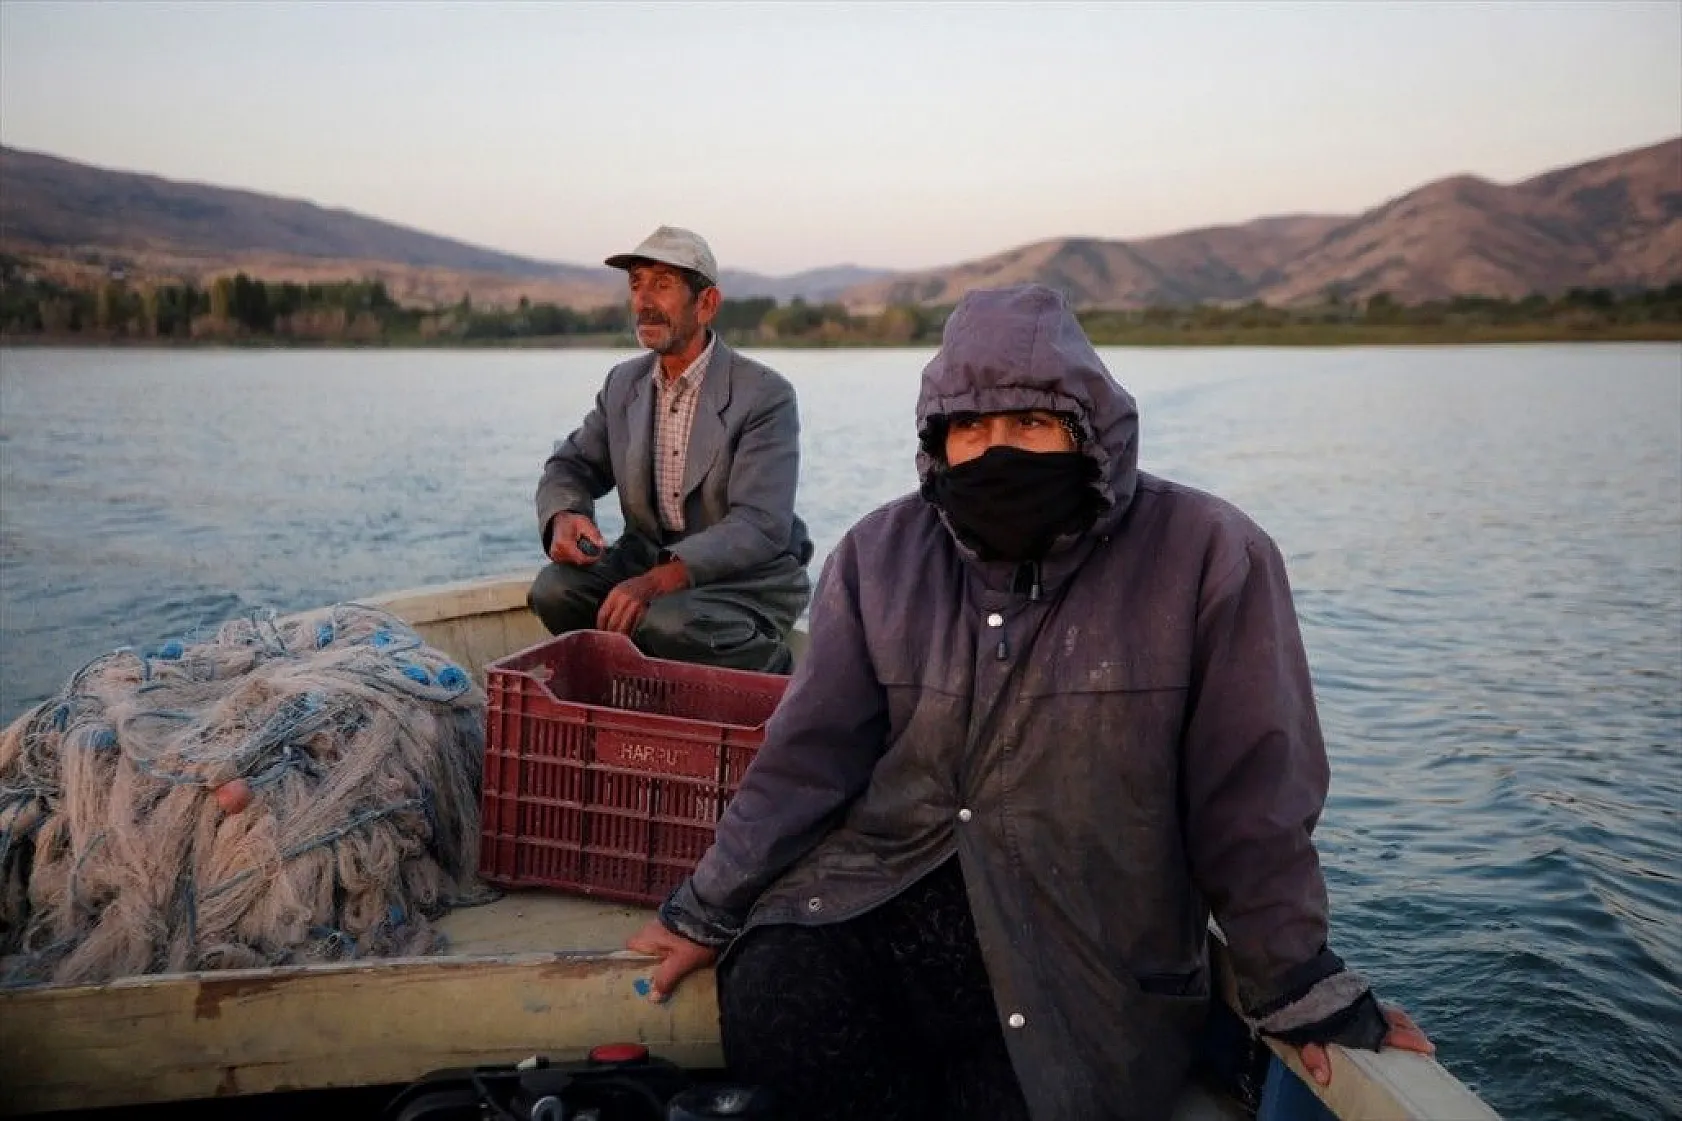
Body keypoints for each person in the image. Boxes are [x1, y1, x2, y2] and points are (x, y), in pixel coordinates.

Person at [627, 284, 1435, 1120]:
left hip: (1082, 951)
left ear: (1088, 431)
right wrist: (706, 907)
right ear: (938, 442)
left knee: (1026, 1096)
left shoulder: (1211, 556)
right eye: (970, 428)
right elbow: (806, 758)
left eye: (1031, 424)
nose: (996, 450)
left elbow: (1253, 801)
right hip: (892, 890)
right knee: (772, 986)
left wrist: (1298, 980)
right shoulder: (880, 553)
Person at [529, 226, 813, 673]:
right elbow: (571, 465)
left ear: (706, 304)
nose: (643, 301)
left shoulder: (765, 395)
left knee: (669, 622)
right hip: (645, 560)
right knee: (554, 590)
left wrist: (660, 581)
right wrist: (565, 515)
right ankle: (632, 694)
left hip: (746, 576)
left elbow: (760, 524)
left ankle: (777, 677)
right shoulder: (623, 384)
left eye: (662, 285)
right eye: (637, 283)